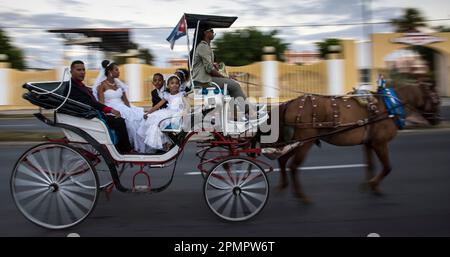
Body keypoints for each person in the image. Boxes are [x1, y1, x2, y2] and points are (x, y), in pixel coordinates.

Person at [191, 26, 266, 122]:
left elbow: (208, 66)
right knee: (234, 85)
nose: (213, 33)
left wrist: (224, 74)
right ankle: (249, 113)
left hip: (205, 79)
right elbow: (209, 69)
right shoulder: (203, 46)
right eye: (212, 31)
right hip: (203, 81)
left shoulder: (205, 47)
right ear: (206, 33)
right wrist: (225, 77)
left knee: (231, 85)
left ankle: (235, 117)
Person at [64, 60, 133, 154]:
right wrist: (110, 109)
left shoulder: (79, 85)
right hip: (87, 116)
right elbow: (90, 102)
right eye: (79, 70)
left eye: (83, 70)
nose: (82, 72)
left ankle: (122, 148)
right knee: (119, 121)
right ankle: (125, 150)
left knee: (120, 120)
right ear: (71, 72)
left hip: (90, 113)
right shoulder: (72, 87)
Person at [95, 60, 146, 152]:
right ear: (110, 72)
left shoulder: (119, 85)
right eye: (116, 70)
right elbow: (101, 103)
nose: (119, 72)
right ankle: (129, 147)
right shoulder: (102, 86)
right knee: (129, 124)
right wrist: (108, 112)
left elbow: (126, 101)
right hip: (112, 108)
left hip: (123, 107)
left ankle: (140, 145)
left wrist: (131, 111)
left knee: (138, 120)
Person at [138, 75, 186, 152]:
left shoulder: (182, 94)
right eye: (172, 83)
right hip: (168, 111)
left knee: (161, 121)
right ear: (168, 85)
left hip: (176, 113)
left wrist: (184, 112)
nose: (174, 85)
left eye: (177, 83)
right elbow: (157, 105)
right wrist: (148, 113)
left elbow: (187, 105)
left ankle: (167, 143)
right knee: (154, 119)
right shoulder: (167, 95)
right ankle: (164, 143)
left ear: (179, 85)